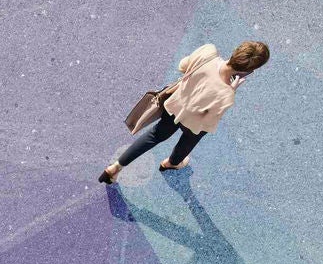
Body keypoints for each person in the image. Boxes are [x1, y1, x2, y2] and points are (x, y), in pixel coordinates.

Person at [99, 40, 269, 182]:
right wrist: (231, 91)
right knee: (187, 141)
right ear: (248, 71)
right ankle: (171, 163)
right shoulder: (226, 94)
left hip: (175, 105)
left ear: (236, 51)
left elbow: (183, 66)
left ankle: (116, 167)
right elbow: (210, 121)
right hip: (194, 123)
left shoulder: (208, 52)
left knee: (155, 135)